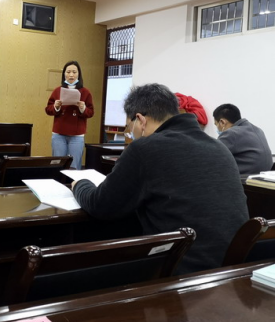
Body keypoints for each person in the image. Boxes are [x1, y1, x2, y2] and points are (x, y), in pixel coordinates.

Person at [72, 83, 249, 275]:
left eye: (129, 127)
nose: (130, 133)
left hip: (182, 272)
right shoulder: (219, 148)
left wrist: (80, 184)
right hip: (235, 269)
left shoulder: (145, 149)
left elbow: (101, 204)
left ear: (141, 120)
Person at [45, 61, 94, 169]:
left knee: (74, 166)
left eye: (74, 72)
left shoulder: (85, 92)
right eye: (68, 72)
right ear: (64, 74)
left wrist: (83, 108)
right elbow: (48, 109)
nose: (71, 75)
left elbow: (91, 112)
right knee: (58, 164)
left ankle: (73, 181)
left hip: (77, 135)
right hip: (59, 134)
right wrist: (56, 107)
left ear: (79, 74)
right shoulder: (57, 90)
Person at [213, 103, 272, 175]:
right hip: (264, 178)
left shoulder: (231, 133)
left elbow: (212, 156)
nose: (217, 128)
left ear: (222, 122)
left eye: (216, 124)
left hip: (245, 179)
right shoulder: (258, 130)